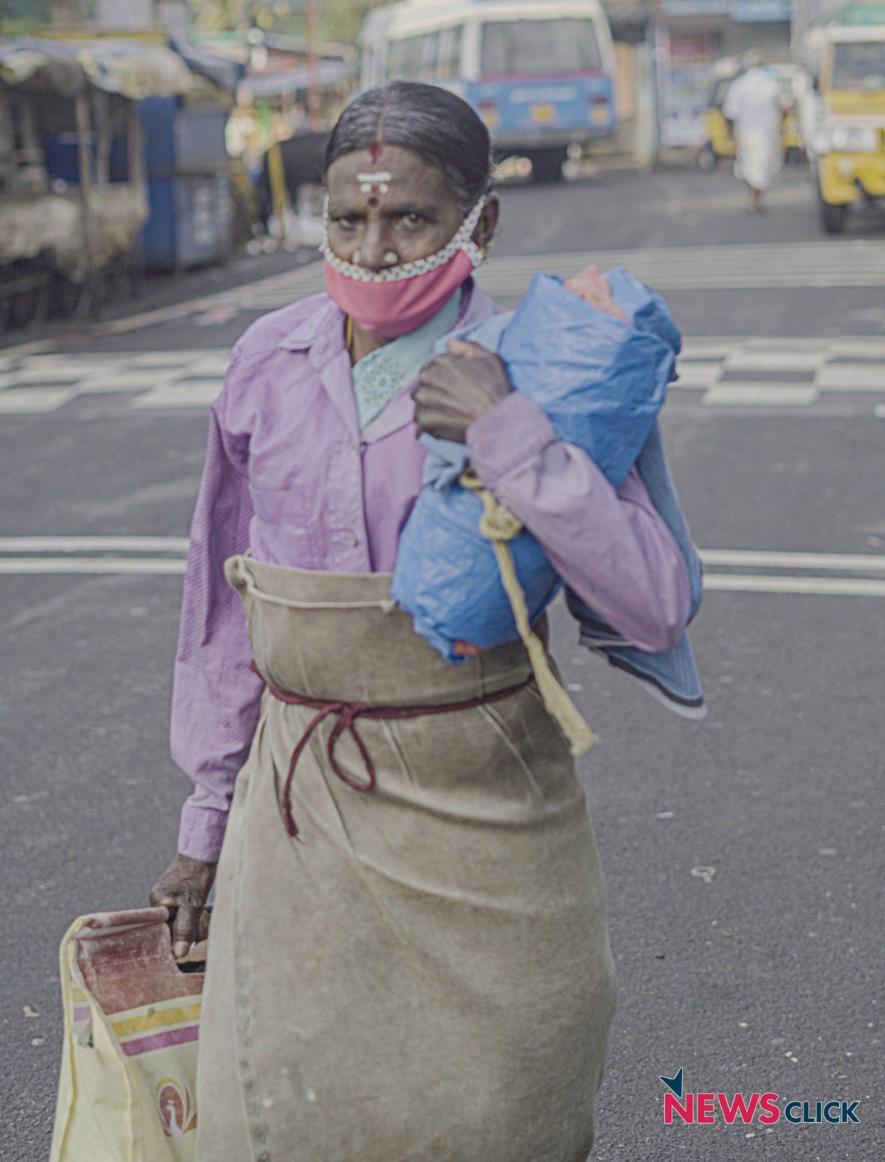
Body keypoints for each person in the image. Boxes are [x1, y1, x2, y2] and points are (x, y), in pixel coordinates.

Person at [149, 81, 692, 1161]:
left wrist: (511, 439)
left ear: (479, 224)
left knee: (499, 1119)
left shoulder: (547, 370)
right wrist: (205, 828)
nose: (374, 247)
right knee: (281, 1116)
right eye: (348, 218)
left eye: (412, 219)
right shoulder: (267, 360)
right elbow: (221, 609)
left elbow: (649, 600)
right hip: (297, 820)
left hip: (486, 821)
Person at [723, 60, 790, 213]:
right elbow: (787, 107)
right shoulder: (772, 83)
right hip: (768, 134)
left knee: (750, 168)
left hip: (746, 134)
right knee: (762, 168)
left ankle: (754, 200)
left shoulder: (740, 84)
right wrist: (781, 122)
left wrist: (729, 134)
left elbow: (730, 113)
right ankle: (756, 200)